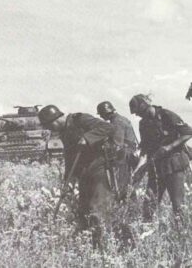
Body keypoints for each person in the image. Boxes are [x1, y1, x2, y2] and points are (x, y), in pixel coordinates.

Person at [39, 105, 130, 248]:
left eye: (50, 126)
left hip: (99, 170)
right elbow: (69, 157)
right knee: (83, 211)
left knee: (98, 209)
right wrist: (67, 180)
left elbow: (108, 127)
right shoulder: (64, 132)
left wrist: (87, 138)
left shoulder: (80, 119)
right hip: (84, 174)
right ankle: (89, 246)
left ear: (55, 120)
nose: (51, 129)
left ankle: (107, 246)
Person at [129, 94, 192, 222]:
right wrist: (137, 170)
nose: (136, 115)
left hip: (174, 165)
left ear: (143, 106)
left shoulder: (166, 115)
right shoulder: (143, 124)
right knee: (148, 204)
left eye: (137, 112)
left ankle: (182, 235)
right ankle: (147, 234)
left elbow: (188, 132)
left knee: (178, 206)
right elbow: (145, 150)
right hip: (156, 167)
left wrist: (170, 146)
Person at [97, 101, 139, 198]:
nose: (101, 117)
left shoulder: (117, 122)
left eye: (101, 114)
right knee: (126, 183)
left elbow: (117, 143)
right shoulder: (120, 119)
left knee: (122, 184)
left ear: (106, 112)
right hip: (126, 153)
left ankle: (125, 205)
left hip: (124, 155)